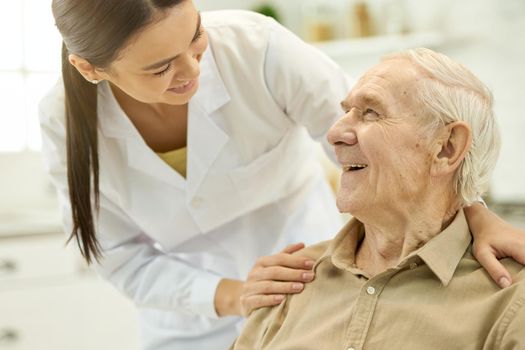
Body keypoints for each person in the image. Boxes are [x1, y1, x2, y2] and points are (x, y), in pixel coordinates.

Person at [39, 1, 524, 349]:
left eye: (196, 38)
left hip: (310, 279)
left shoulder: (258, 49)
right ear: (91, 69)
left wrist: (471, 211)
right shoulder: (64, 122)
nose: (192, 71)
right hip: (190, 322)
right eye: (161, 67)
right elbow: (119, 257)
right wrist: (232, 295)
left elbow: (367, 142)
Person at [230, 48, 525, 350]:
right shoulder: (288, 283)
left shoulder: (510, 298)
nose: (334, 133)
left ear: (446, 148)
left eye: (371, 112)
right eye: (346, 112)